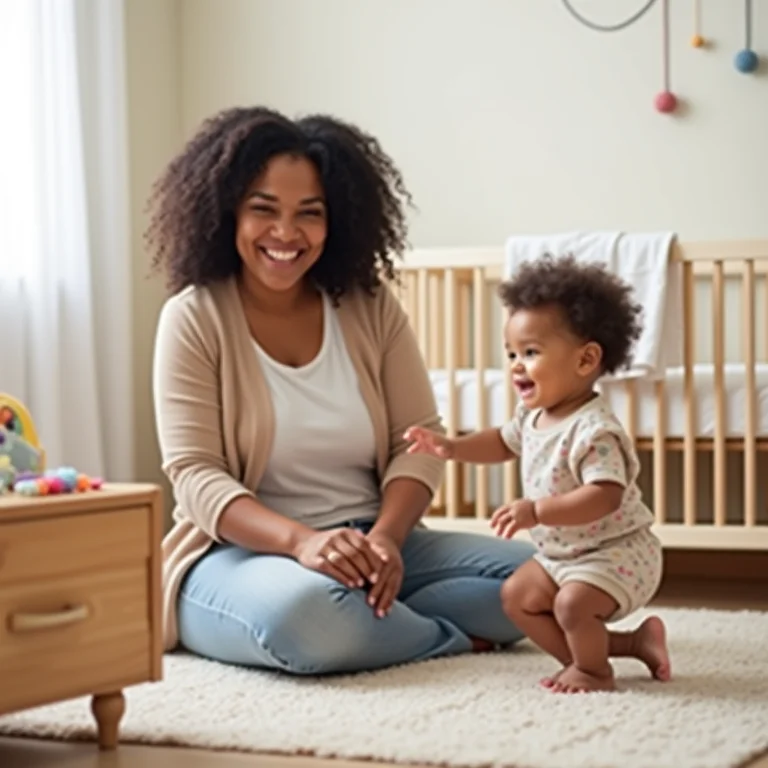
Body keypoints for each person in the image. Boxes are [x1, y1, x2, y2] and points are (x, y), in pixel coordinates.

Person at [147, 105, 536, 675]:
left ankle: (376, 616)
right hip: (240, 556)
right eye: (264, 210)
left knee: (545, 578)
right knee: (305, 618)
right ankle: (443, 638)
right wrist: (303, 543)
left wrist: (385, 541)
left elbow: (419, 443)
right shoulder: (193, 317)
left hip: (371, 539)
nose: (286, 233)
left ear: (337, 221)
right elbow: (196, 476)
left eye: (310, 213)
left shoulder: (370, 305)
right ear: (226, 213)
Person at [405, 255, 672, 693]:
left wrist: (538, 510)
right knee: (517, 598)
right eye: (511, 353)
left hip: (616, 553)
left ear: (586, 360)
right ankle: (634, 644)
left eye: (531, 353)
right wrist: (451, 446)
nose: (515, 365)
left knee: (572, 606)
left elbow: (603, 496)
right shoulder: (533, 417)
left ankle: (594, 672)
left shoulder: (595, 430)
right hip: (564, 554)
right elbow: (500, 441)